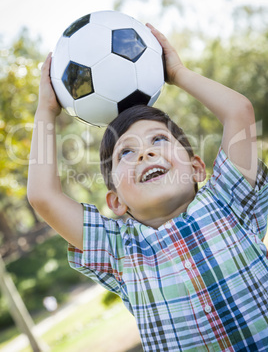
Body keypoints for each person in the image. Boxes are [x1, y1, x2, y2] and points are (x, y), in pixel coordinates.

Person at [27, 24, 268, 351]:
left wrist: (179, 73)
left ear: (197, 168)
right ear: (116, 201)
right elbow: (43, 197)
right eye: (126, 152)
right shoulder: (119, 250)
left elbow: (239, 112)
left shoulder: (228, 199)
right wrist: (46, 110)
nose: (145, 152)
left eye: (159, 139)